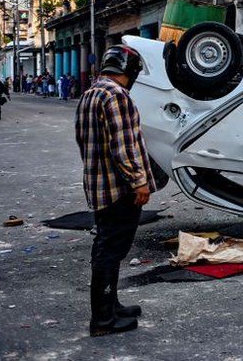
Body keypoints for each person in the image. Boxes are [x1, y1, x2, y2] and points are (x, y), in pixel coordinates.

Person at [74, 45, 155, 336]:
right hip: (119, 190)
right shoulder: (117, 96)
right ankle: (103, 320)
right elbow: (123, 147)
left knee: (109, 248)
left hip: (98, 186)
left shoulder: (90, 93)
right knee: (110, 251)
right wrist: (140, 182)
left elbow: (85, 142)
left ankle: (112, 306)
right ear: (129, 70)